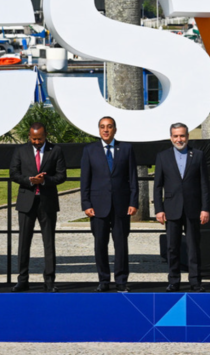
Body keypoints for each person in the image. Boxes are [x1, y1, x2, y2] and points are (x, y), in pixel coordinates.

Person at [80, 116, 138, 292]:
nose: (106, 130)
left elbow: (133, 178)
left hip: (121, 205)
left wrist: (133, 201)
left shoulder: (126, 149)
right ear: (99, 129)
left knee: (121, 245)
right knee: (100, 244)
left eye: (109, 126)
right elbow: (85, 180)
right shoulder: (90, 150)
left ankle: (121, 281)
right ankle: (103, 280)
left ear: (115, 129)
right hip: (98, 206)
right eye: (102, 127)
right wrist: (86, 204)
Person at [9, 122, 66, 292]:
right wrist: (29, 180)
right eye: (33, 139)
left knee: (49, 242)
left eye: (39, 139)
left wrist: (45, 180)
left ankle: (49, 281)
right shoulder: (21, 151)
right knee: (24, 242)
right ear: (29, 136)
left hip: (47, 202)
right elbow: (13, 173)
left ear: (45, 135)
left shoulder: (55, 150)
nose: (36, 142)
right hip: (26, 201)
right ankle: (22, 280)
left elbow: (61, 175)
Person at [153, 123, 210, 293]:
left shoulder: (198, 155)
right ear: (171, 137)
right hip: (171, 209)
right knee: (172, 247)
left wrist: (205, 208)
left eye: (182, 136)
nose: (179, 139)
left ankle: (195, 281)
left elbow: (204, 185)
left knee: (193, 247)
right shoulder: (162, 157)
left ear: (187, 137)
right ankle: (173, 281)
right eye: (176, 136)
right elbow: (157, 186)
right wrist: (159, 209)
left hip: (193, 208)